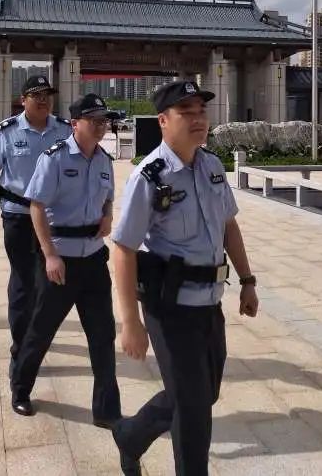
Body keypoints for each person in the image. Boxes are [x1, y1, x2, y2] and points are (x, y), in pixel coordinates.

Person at [110, 80, 259, 476]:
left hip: (209, 303)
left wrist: (247, 280)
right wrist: (130, 322)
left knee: (202, 393)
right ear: (163, 120)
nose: (198, 119)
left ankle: (130, 436)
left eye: (201, 111)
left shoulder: (212, 166)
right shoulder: (149, 176)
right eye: (186, 112)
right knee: (193, 412)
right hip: (169, 306)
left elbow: (228, 226)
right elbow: (123, 249)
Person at [10, 93, 122, 425]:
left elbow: (108, 197)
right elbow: (36, 206)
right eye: (94, 121)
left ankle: (106, 410)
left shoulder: (104, 160)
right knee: (41, 331)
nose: (101, 127)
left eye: (104, 121)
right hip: (60, 261)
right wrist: (49, 255)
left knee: (103, 336)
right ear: (75, 123)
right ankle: (21, 390)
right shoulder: (55, 158)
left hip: (94, 260)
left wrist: (107, 215)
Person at [0, 75, 71, 379]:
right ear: (23, 100)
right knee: (23, 283)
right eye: (36, 95)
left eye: (47, 95)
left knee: (48, 285)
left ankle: (36, 338)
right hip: (18, 217)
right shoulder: (7, 131)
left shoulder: (64, 130)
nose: (43, 100)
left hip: (53, 220)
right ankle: (21, 351)